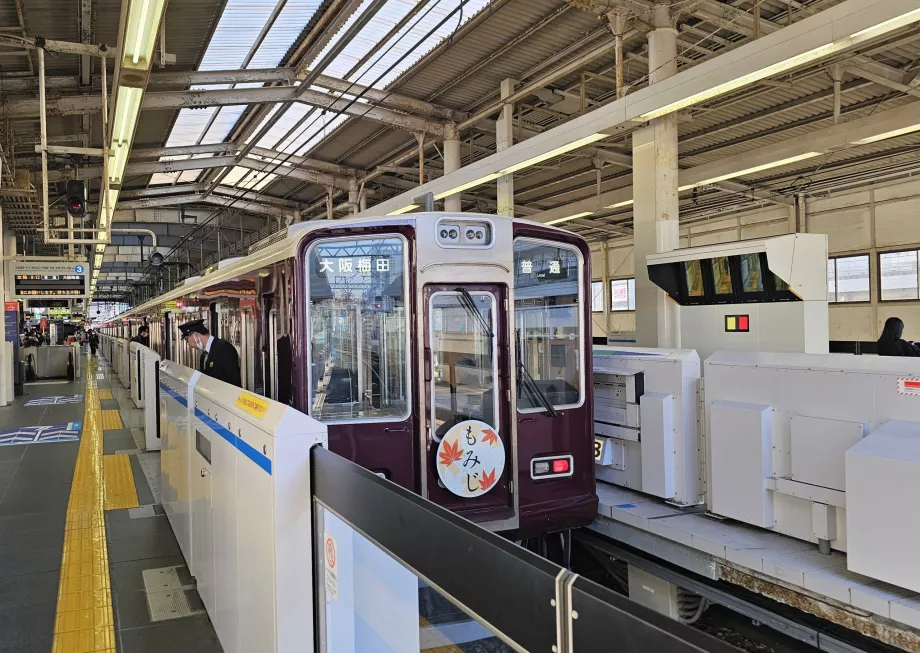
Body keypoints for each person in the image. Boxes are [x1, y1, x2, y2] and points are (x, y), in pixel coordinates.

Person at [179, 319, 242, 387]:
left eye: (186, 338)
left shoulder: (223, 348)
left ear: (195, 335)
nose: (187, 342)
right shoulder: (204, 355)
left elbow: (233, 380)